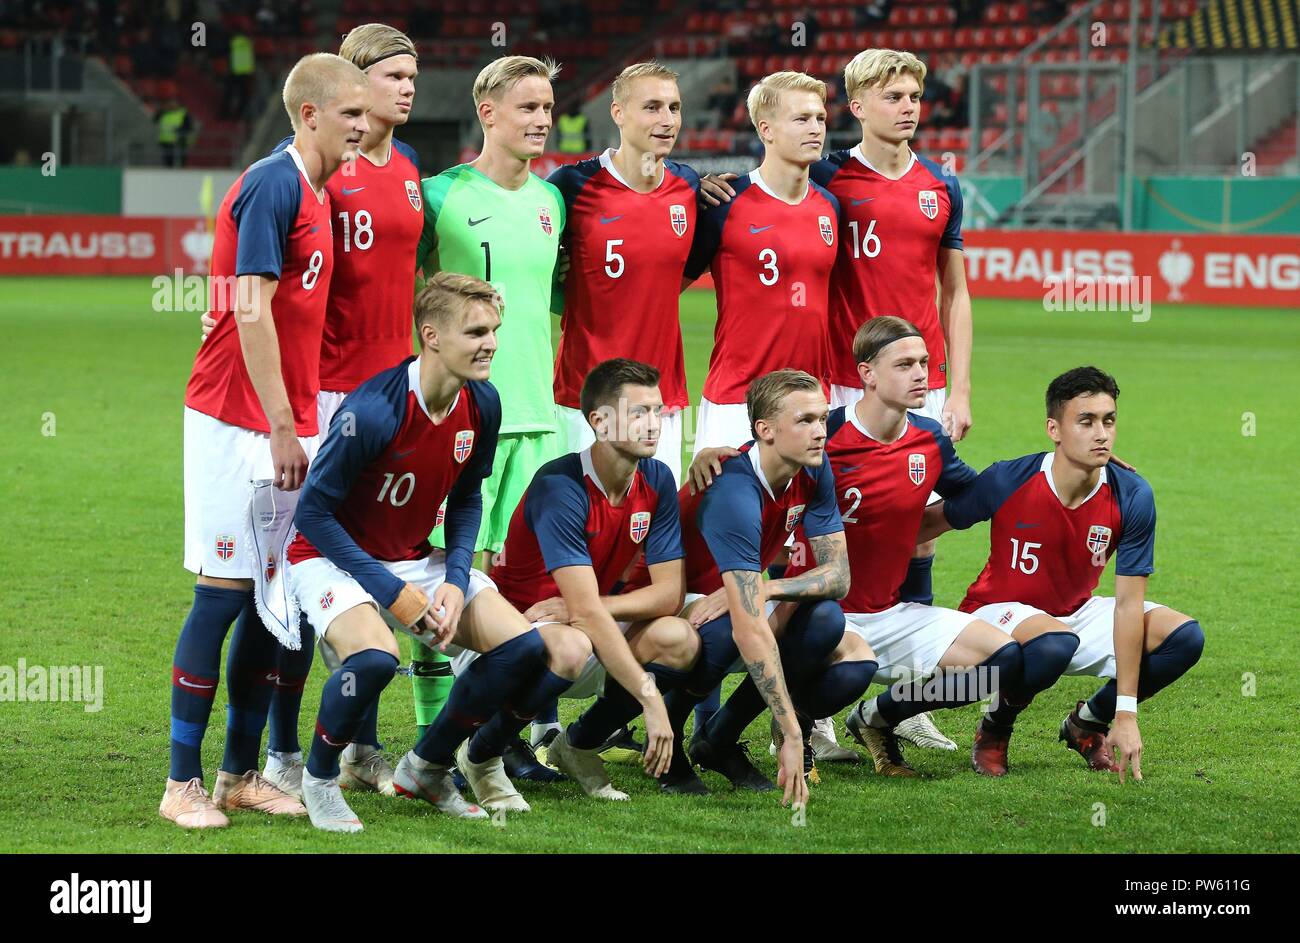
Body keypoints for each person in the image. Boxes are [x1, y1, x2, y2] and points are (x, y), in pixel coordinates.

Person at [163, 53, 370, 830]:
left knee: (270, 604)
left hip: (288, 417)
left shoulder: (320, 190)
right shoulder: (275, 182)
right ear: (309, 114)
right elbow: (250, 309)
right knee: (221, 593)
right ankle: (180, 782)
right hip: (234, 418)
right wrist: (283, 424)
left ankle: (237, 773)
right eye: (350, 111)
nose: (363, 122)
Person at [918, 367, 1205, 781]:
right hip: (997, 615)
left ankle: (1088, 721)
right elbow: (934, 522)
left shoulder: (1132, 493)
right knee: (1053, 643)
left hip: (1072, 616)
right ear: (1054, 428)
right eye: (1086, 421)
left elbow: (1128, 603)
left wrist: (1125, 712)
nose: (1101, 433)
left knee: (1183, 638)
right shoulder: (1011, 477)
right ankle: (995, 728)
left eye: (1109, 420)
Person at [809, 48, 976, 752]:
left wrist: (957, 385)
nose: (908, 106)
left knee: (919, 532)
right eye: (893, 95)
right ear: (857, 106)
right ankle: (820, 695)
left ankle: (906, 701)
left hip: (920, 382)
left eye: (914, 94)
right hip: (845, 381)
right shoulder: (827, 176)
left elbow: (956, 290)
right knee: (827, 532)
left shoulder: (943, 185)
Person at [780, 317, 1036, 777]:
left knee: (1002, 661)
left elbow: (972, 495)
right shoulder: (823, 435)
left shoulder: (929, 439)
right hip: (821, 614)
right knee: (846, 671)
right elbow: (759, 482)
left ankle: (879, 718)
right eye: (905, 364)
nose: (921, 374)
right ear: (867, 374)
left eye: (924, 363)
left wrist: (1060, 465)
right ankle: (796, 728)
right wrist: (710, 456)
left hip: (891, 613)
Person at [411, 56, 567, 781]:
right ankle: (428, 731)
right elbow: (400, 291)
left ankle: (505, 736)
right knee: (450, 570)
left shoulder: (551, 201)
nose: (542, 120)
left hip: (539, 413)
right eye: (528, 106)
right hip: (462, 417)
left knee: (529, 588)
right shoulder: (439, 195)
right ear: (489, 111)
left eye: (549, 107)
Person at [462, 359, 689, 804]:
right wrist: (650, 697)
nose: (653, 424)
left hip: (580, 629)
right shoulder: (561, 485)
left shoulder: (657, 478)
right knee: (572, 644)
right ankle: (483, 751)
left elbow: (668, 593)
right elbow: (584, 614)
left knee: (678, 638)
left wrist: (586, 608)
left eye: (657, 411)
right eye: (638, 412)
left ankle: (578, 745)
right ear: (600, 423)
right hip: (510, 638)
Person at [657, 370, 859, 806]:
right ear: (764, 430)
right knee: (730, 626)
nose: (820, 432)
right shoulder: (732, 487)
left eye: (823, 419)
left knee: (824, 619)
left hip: (736, 590)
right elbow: (746, 622)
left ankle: (719, 739)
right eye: (805, 420)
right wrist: (790, 732)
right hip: (671, 598)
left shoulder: (813, 467)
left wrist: (767, 590)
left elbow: (838, 576)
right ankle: (667, 740)